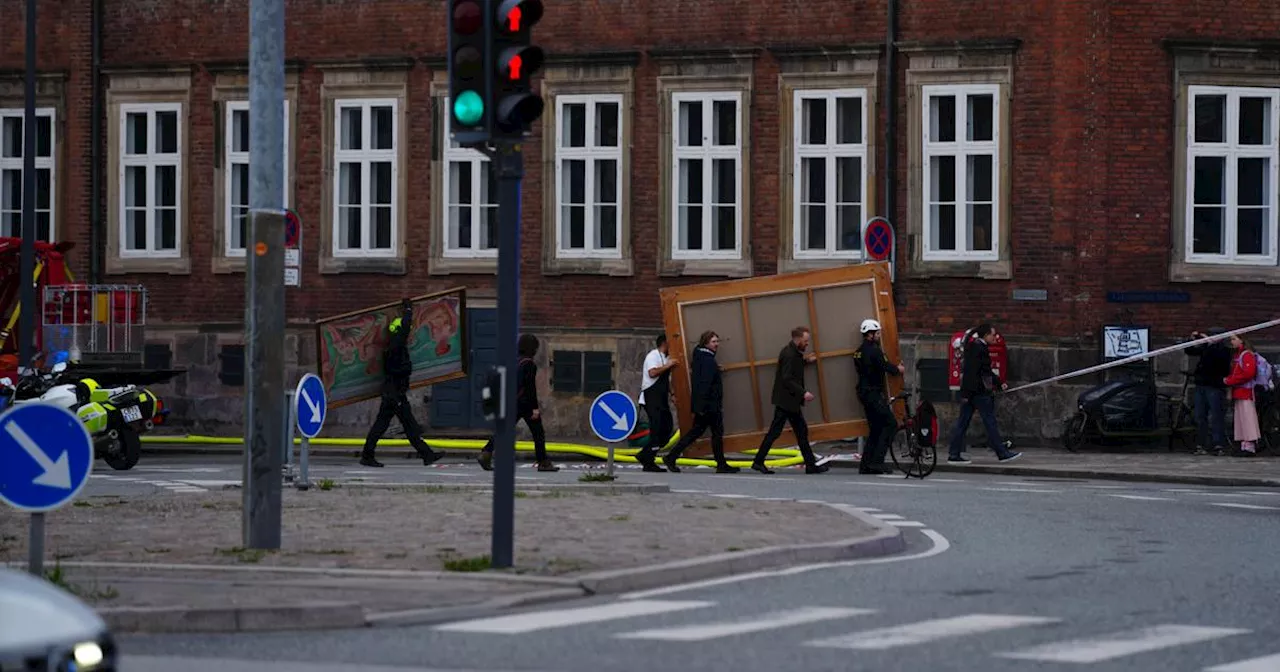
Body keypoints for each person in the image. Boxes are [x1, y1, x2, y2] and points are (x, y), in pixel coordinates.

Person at [360, 298, 443, 468]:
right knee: (402, 425)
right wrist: (408, 311)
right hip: (394, 393)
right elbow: (404, 329)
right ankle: (426, 455)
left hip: (394, 393)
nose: (410, 333)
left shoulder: (396, 346)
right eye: (407, 331)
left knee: (400, 425)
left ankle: (426, 455)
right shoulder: (396, 346)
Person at [751, 326, 828, 475]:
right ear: (798, 339)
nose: (807, 344)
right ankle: (758, 461)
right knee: (779, 432)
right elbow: (787, 377)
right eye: (805, 341)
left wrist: (806, 361)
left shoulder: (792, 352)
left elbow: (792, 368)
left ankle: (810, 465)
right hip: (787, 401)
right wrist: (803, 392)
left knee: (798, 431)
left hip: (788, 401)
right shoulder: (790, 354)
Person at [661, 330, 739, 474]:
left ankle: (672, 456)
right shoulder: (708, 360)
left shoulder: (701, 357)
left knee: (697, 433)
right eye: (714, 342)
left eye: (717, 341)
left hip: (704, 405)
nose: (717, 344)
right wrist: (703, 405)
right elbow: (705, 383)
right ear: (706, 343)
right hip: (710, 405)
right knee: (715, 434)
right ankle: (720, 464)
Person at [478, 334, 559, 472]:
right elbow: (529, 388)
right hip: (524, 404)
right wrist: (534, 408)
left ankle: (486, 452)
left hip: (510, 402)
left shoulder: (514, 361)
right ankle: (543, 462)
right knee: (538, 433)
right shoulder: (529, 364)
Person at [946, 323, 1021, 465]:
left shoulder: (975, 347)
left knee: (963, 423)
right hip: (978, 392)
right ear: (985, 335)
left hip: (971, 392)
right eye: (993, 334)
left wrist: (967, 393)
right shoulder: (979, 348)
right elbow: (981, 371)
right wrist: (998, 383)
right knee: (989, 422)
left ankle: (954, 453)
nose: (995, 337)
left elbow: (978, 371)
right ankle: (1002, 453)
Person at [853, 318, 902, 475]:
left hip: (864, 392)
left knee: (875, 429)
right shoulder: (874, 350)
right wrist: (898, 369)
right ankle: (877, 462)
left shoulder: (858, 351)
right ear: (870, 334)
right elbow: (885, 366)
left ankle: (866, 464)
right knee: (890, 424)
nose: (879, 336)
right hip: (873, 393)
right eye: (877, 333)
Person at [1188, 327, 1232, 456]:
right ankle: (1201, 444)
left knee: (1216, 416)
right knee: (1200, 416)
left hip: (1214, 386)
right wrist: (1191, 340)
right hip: (1201, 385)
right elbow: (1190, 351)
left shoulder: (1223, 350)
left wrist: (1208, 342)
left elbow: (1217, 360)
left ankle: (1218, 444)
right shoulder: (1206, 347)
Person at [637, 334, 678, 472]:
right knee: (656, 428)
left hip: (662, 398)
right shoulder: (653, 355)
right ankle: (649, 460)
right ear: (664, 343)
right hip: (651, 398)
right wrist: (668, 366)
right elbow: (652, 373)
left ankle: (645, 453)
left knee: (666, 428)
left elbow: (667, 380)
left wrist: (672, 394)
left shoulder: (667, 358)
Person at [1224, 334, 1261, 456]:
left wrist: (1230, 381)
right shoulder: (1240, 355)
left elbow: (1248, 374)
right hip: (1240, 392)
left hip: (1246, 392)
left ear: (1242, 340)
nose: (1232, 342)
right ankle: (1244, 444)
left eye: (1234, 339)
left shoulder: (1246, 355)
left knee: (1247, 418)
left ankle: (1249, 445)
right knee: (1241, 419)